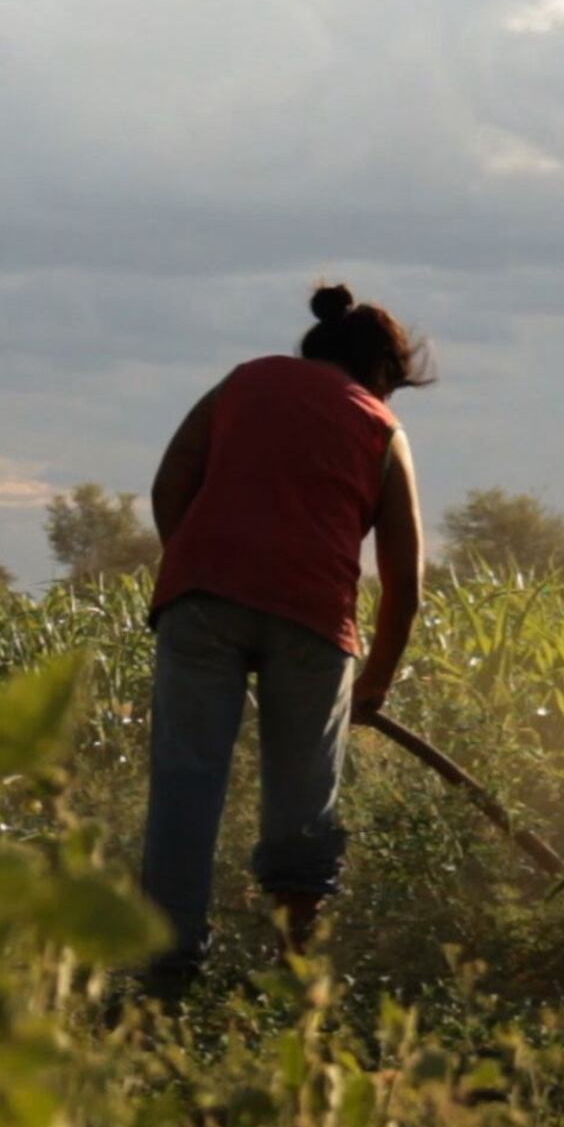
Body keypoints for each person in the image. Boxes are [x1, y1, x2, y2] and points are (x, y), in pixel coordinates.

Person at [140, 284, 428, 993]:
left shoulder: (245, 382)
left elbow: (170, 481)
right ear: (382, 373)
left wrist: (200, 565)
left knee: (185, 790)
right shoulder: (381, 428)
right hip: (312, 619)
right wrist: (376, 684)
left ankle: (167, 977)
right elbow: (404, 585)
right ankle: (294, 976)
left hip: (201, 601)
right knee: (303, 805)